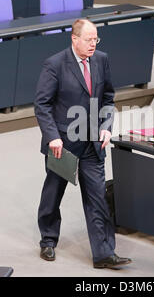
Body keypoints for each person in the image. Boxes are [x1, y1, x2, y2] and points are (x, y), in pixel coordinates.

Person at [34, 19, 132, 269]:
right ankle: (48, 240)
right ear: (74, 39)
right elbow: (42, 105)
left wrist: (106, 128)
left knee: (97, 196)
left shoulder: (101, 59)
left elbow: (108, 98)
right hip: (63, 143)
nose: (93, 44)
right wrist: (52, 136)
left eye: (95, 39)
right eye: (88, 40)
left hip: (92, 144)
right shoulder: (55, 65)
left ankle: (103, 253)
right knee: (53, 193)